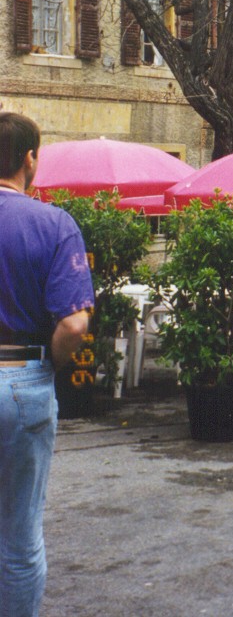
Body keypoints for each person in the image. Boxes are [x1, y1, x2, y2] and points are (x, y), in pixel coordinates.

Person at [0, 114, 94, 617]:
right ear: (28, 158)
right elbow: (74, 324)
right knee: (18, 536)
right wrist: (48, 366)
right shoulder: (54, 224)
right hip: (22, 377)